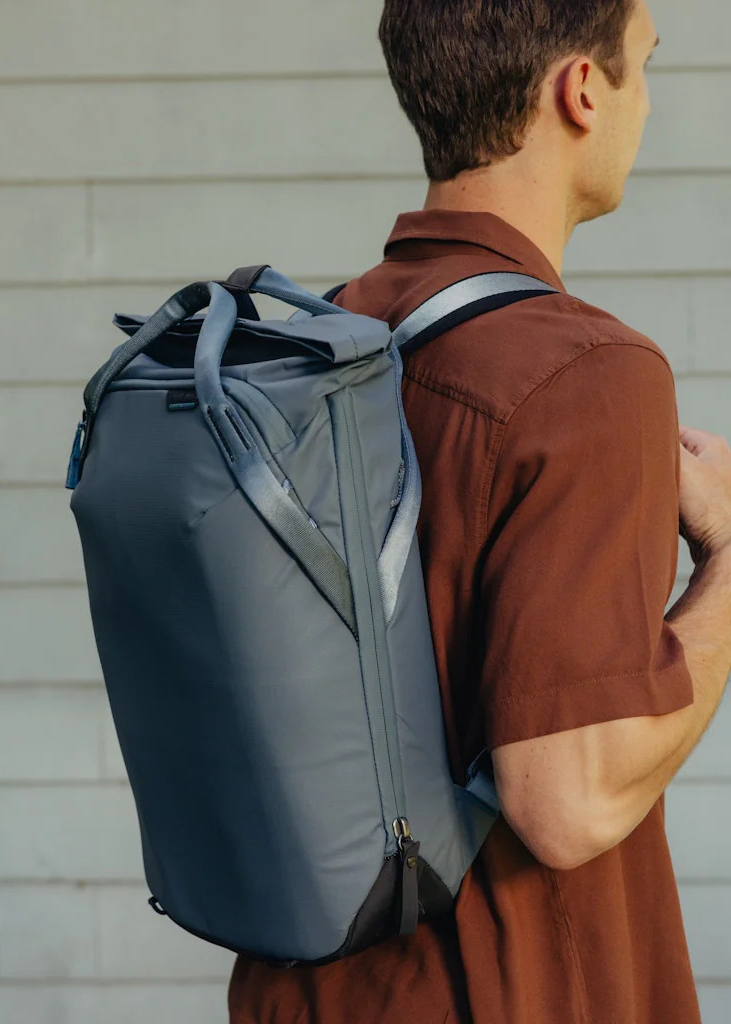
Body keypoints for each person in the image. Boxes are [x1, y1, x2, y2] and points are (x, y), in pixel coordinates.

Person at [227, 1, 731, 1021]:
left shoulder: (326, 339)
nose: (646, 102)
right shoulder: (587, 371)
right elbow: (567, 799)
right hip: (505, 992)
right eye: (643, 65)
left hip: (306, 987)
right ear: (581, 91)